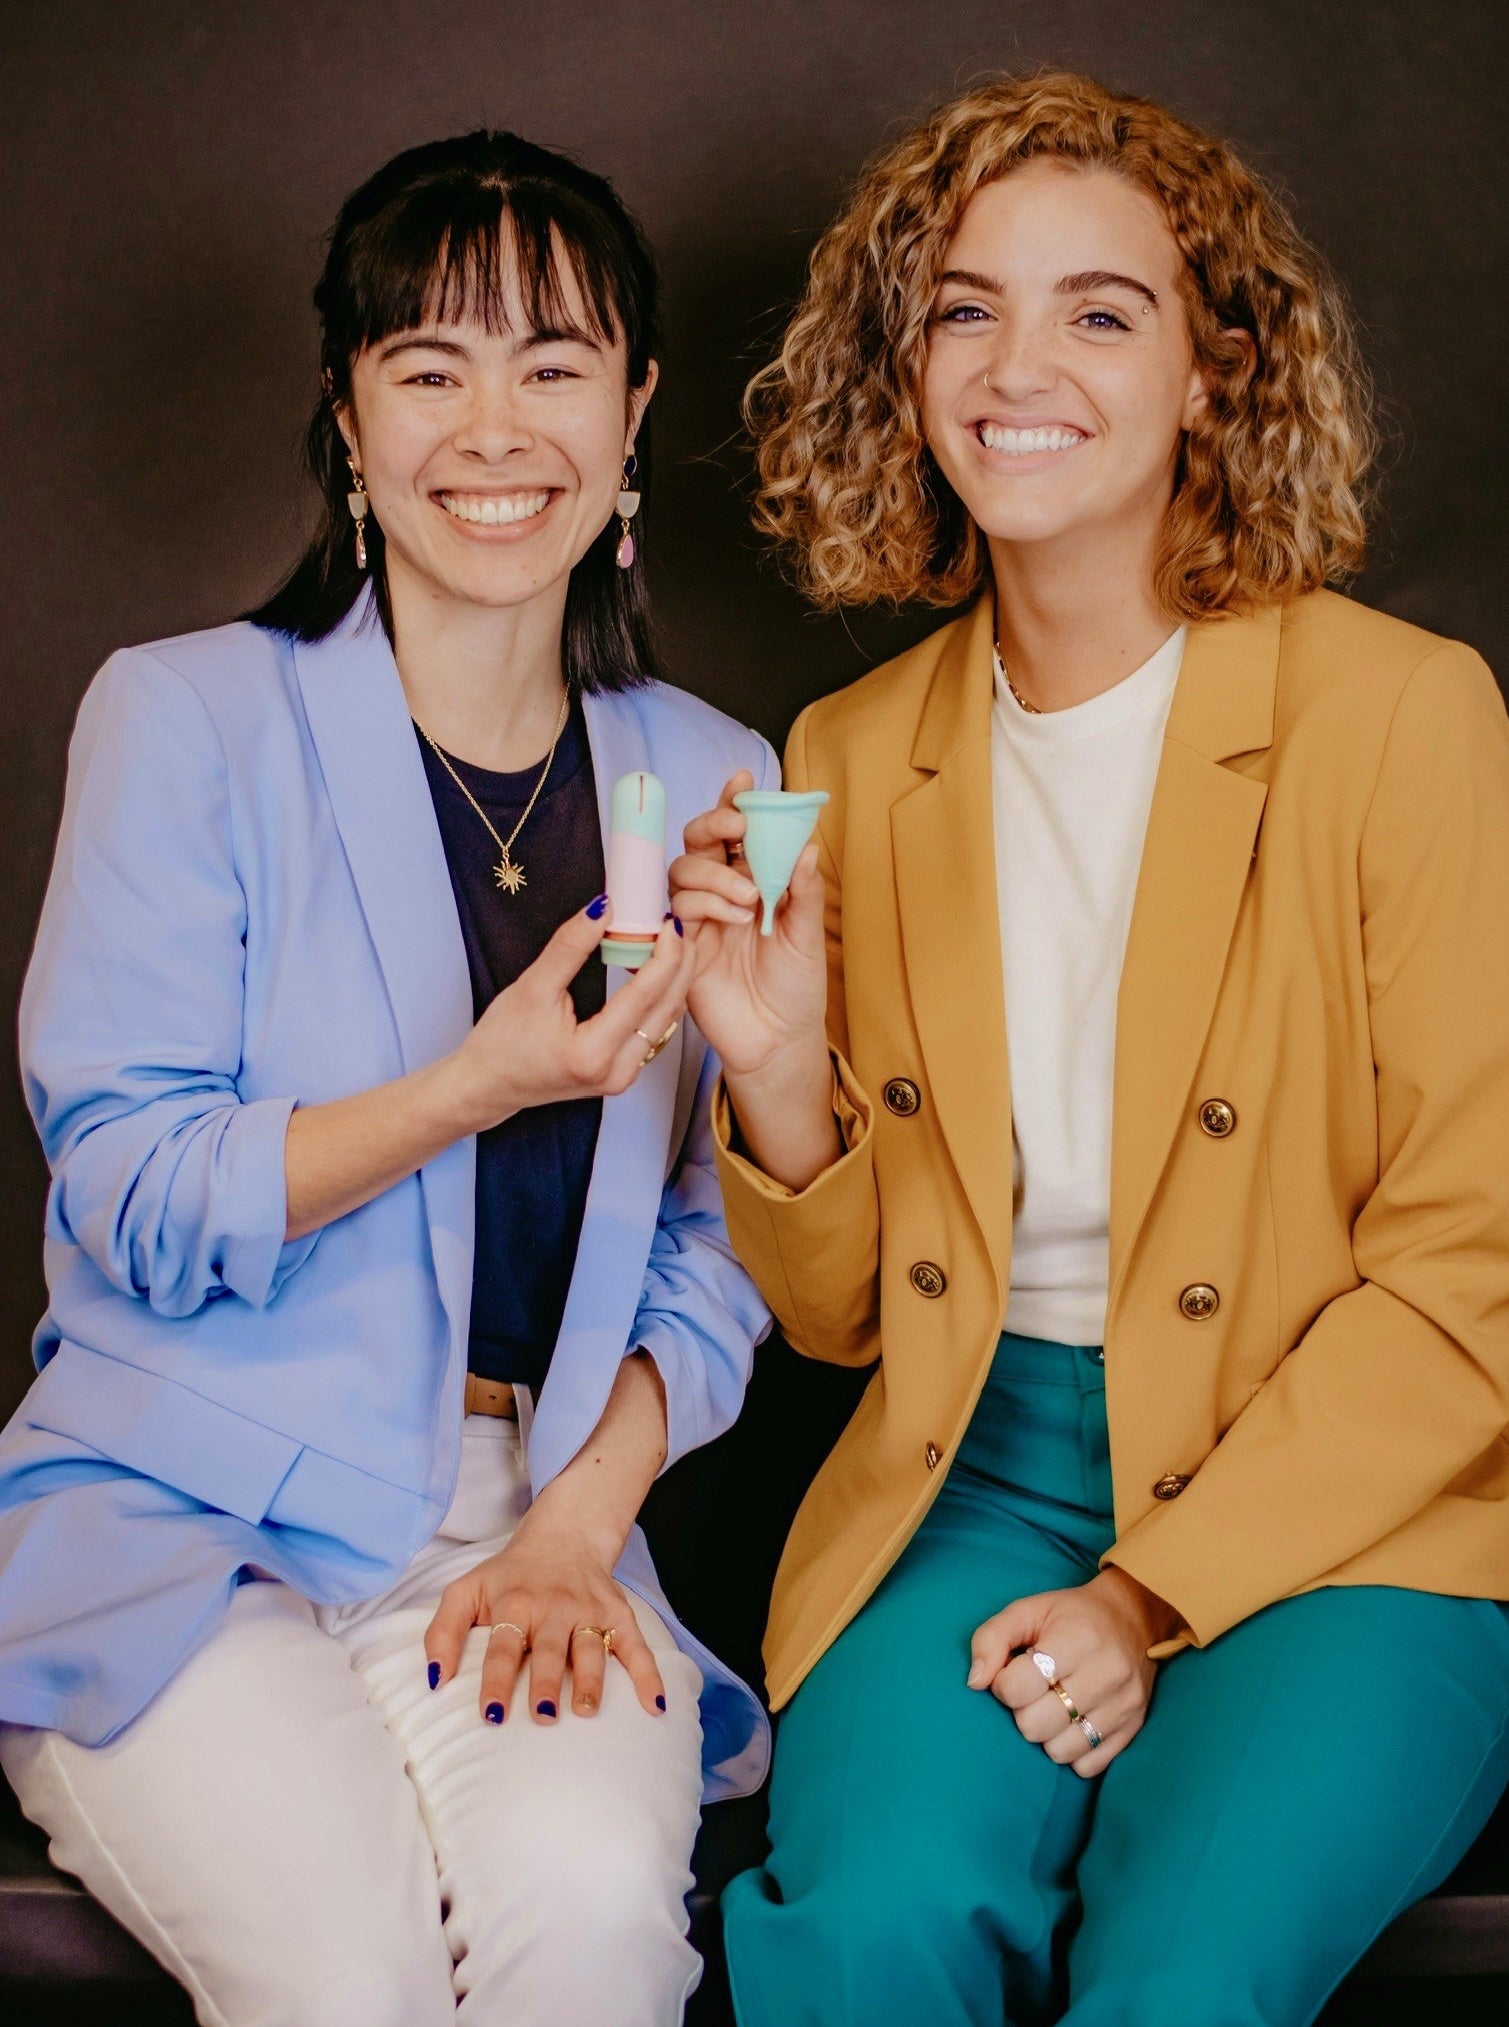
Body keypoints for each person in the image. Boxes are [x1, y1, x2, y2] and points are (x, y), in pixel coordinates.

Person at [670, 70, 1509, 2026]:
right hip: (976, 1472)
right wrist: (780, 1074)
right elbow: (832, 1326)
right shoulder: (844, 761)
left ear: (1214, 373)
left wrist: (1147, 1599)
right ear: (900, 367)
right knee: (867, 1930)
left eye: (1100, 309)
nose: (1016, 364)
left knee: (1179, 1984)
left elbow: (1479, 1275)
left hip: (1358, 1502)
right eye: (964, 306)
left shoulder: (1401, 720)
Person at [0, 129, 774, 2027]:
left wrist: (576, 1530)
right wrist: (475, 1083)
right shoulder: (186, 716)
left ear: (632, 410)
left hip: (539, 1519)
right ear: (348, 420)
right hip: (185, 1521)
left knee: (594, 1944)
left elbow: (720, 1240)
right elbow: (134, 1193)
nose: (491, 426)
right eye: (427, 367)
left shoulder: (714, 769)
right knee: (343, 1983)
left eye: (552, 364)